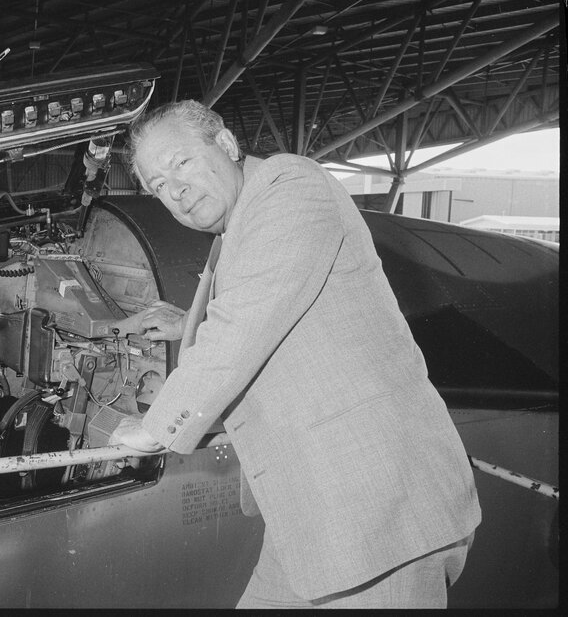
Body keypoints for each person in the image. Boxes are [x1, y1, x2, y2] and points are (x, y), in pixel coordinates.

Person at [109, 99, 480, 608]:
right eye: (157, 186)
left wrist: (156, 427)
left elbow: (246, 321)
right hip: (313, 515)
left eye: (181, 163)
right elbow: (276, 314)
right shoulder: (238, 225)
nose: (174, 190)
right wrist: (185, 324)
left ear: (226, 144)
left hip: (381, 514)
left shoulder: (291, 186)